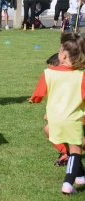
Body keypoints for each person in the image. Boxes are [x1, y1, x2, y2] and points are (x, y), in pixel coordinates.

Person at [29, 33, 85, 195]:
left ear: (64, 55)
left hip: (54, 119)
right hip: (72, 119)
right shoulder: (81, 76)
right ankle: (68, 183)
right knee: (75, 151)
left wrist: (34, 99)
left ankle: (80, 176)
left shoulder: (49, 73)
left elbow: (39, 93)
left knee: (68, 146)